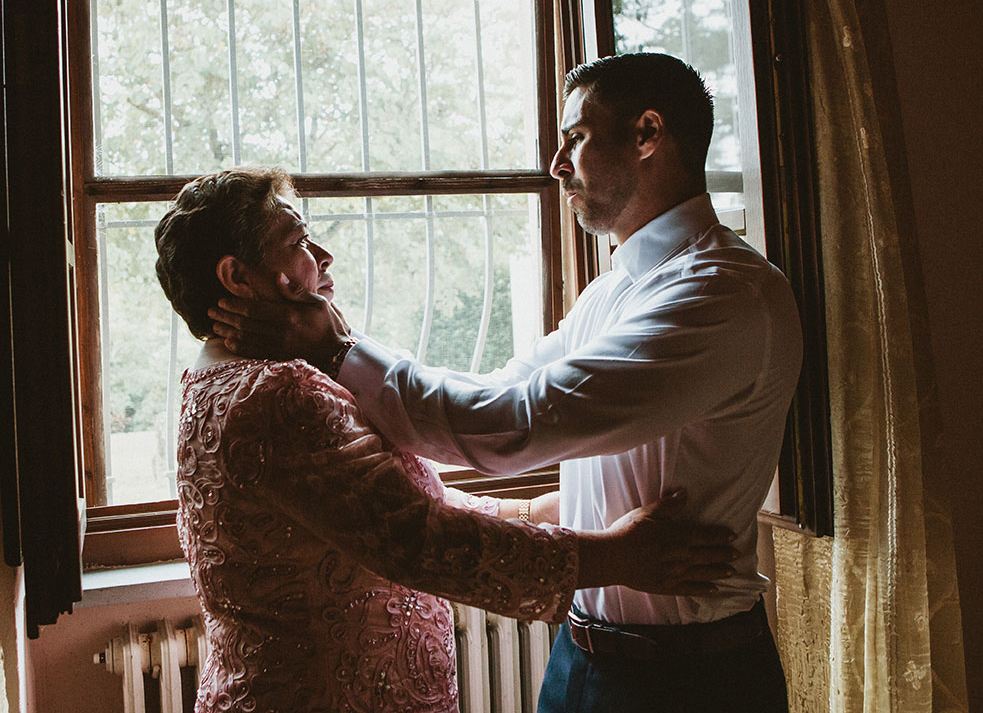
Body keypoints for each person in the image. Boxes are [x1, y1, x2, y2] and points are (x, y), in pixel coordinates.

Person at [208, 53, 804, 712]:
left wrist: (337, 348)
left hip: (690, 681)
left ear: (647, 134)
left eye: (574, 137)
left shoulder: (721, 296)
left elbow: (512, 425)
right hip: (580, 657)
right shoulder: (614, 292)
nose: (556, 164)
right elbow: (497, 394)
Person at [154, 165, 739, 713]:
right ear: (237, 276)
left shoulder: (212, 382)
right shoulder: (279, 393)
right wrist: (621, 556)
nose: (324, 255)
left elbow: (380, 506)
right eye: (299, 242)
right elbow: (418, 540)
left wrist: (539, 510)